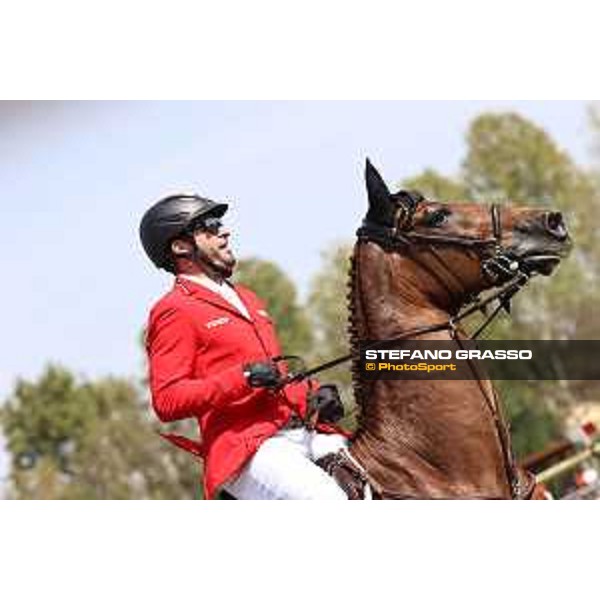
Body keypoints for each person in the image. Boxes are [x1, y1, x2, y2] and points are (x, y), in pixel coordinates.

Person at [139, 193, 353, 500]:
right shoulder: (174, 310)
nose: (224, 231)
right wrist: (241, 378)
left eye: (221, 224)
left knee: (384, 473)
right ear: (180, 246)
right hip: (249, 449)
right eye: (210, 226)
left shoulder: (248, 297)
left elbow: (274, 375)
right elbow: (167, 400)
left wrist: (314, 392)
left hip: (300, 430)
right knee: (328, 500)